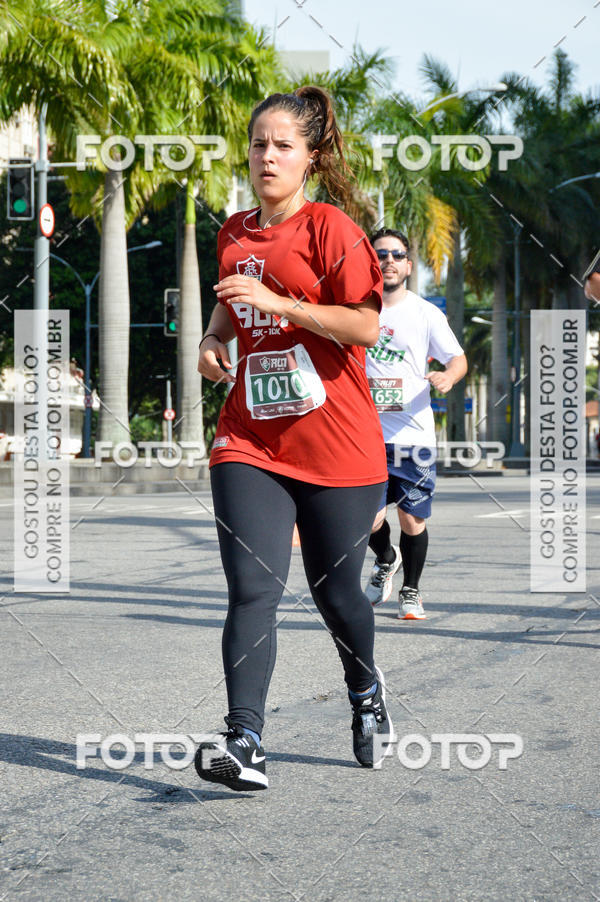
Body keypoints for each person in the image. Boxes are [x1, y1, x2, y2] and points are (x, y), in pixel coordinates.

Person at [194, 86, 395, 792]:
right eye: (258, 144)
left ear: (310, 157)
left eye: (283, 145)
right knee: (252, 587)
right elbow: (227, 319)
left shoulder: (331, 229)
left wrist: (283, 304)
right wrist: (211, 344)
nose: (268, 156)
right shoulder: (232, 234)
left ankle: (366, 693)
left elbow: (365, 327)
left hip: (339, 446)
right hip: (250, 439)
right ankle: (244, 740)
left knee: (337, 594)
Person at [364, 229, 467, 619]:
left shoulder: (426, 312)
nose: (388, 260)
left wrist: (448, 377)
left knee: (411, 518)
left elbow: (457, 359)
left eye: (397, 254)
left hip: (414, 434)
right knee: (368, 520)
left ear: (408, 265)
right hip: (365, 435)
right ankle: (386, 559)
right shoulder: (356, 310)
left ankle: (411, 590)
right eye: (380, 254)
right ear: (370, 263)